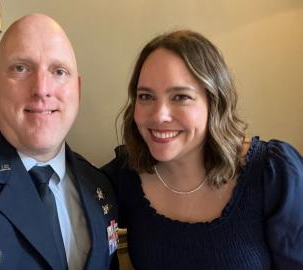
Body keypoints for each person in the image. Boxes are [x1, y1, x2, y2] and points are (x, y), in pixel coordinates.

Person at [102, 30, 303, 269]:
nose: (159, 115)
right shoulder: (124, 175)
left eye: (180, 97)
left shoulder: (274, 174)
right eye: (146, 96)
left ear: (214, 102)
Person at [0, 14, 118, 270]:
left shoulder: (99, 187)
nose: (42, 89)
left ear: (77, 89)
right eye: (21, 68)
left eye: (59, 71)